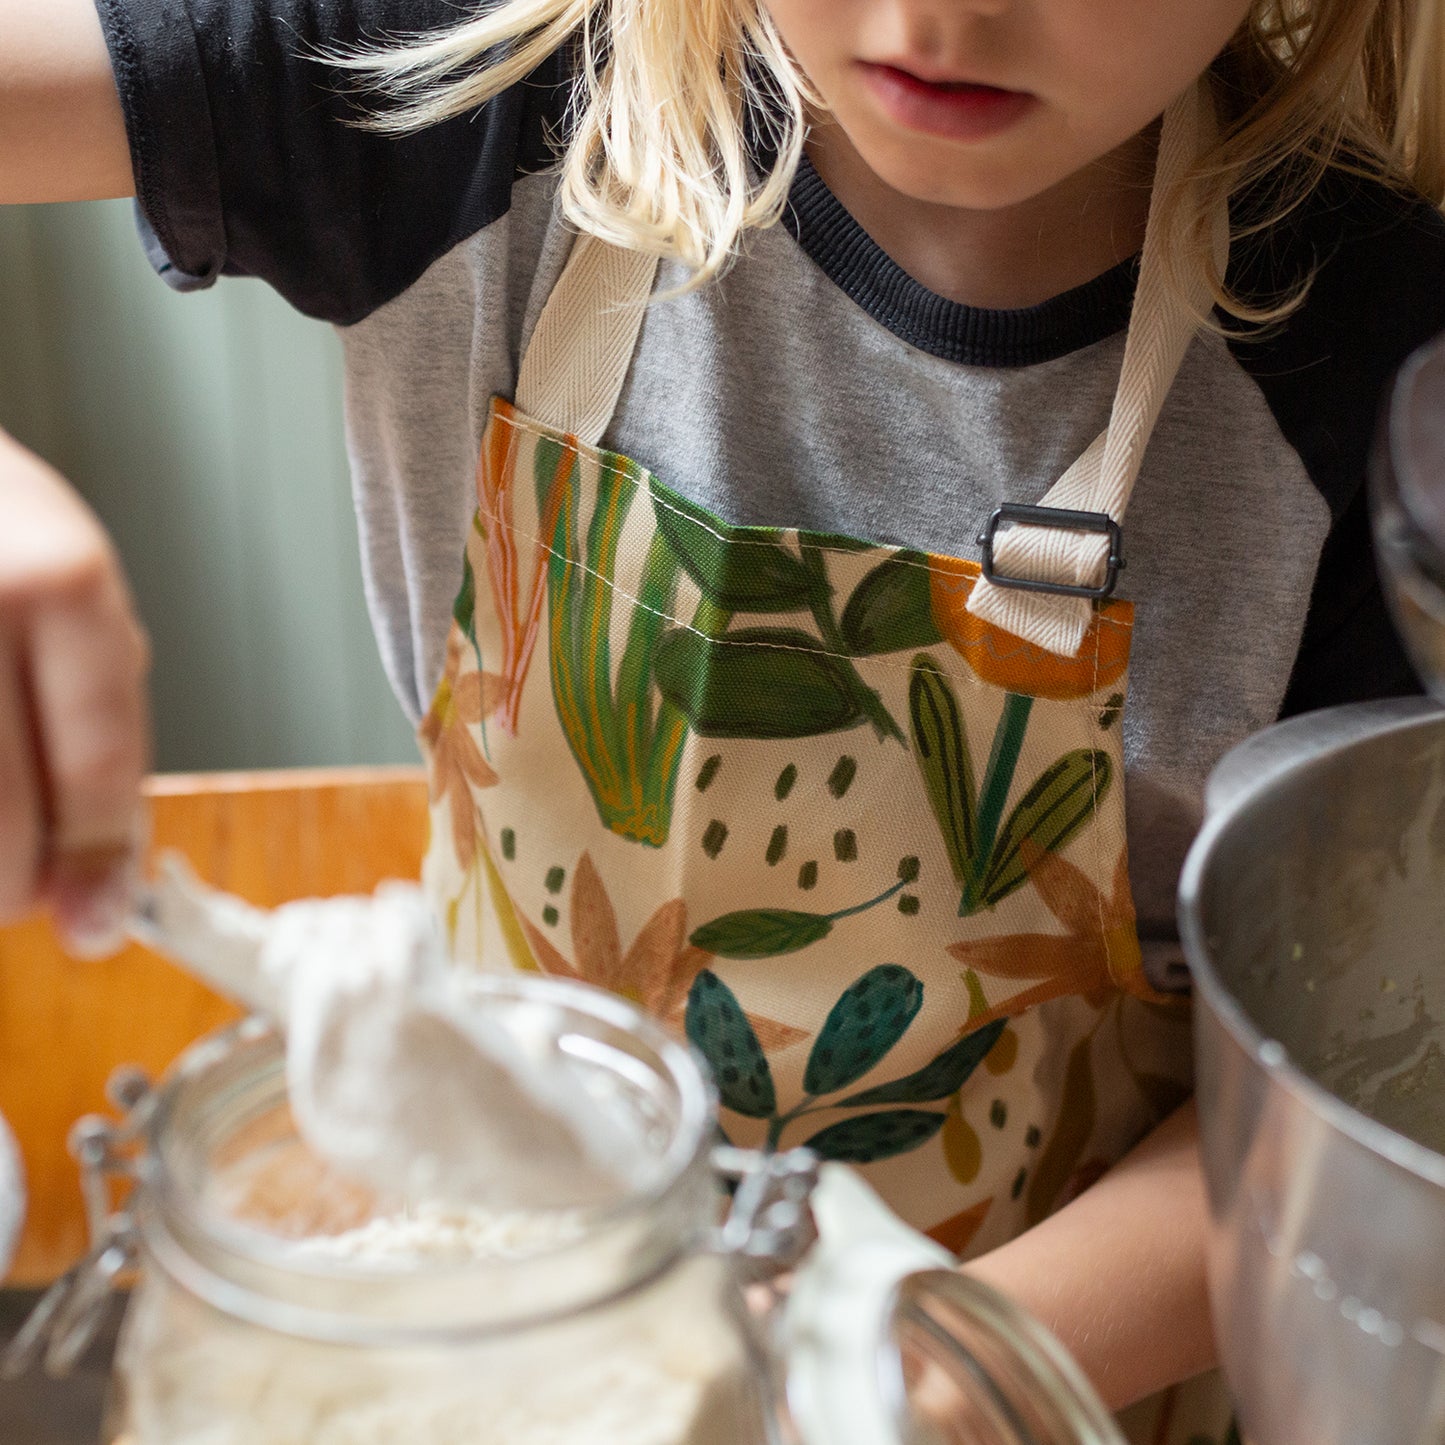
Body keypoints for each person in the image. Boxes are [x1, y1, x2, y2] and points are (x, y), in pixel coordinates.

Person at [1, 0, 1441, 1437]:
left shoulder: (1375, 390)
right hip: (473, 1311)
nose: (942, 15)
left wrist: (886, 1385)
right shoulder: (469, 80)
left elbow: (1344, 1102)